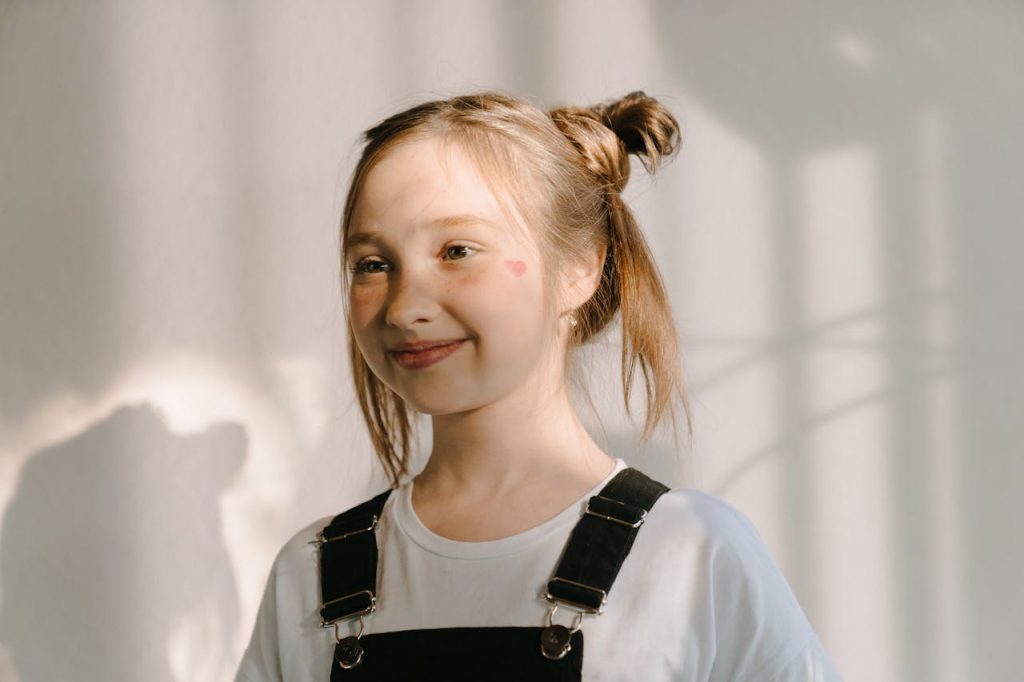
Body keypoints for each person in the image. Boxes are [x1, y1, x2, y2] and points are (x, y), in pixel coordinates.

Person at [234, 90, 842, 681]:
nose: (404, 307)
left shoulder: (692, 552)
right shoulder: (309, 575)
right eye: (373, 263)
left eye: (457, 250)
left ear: (579, 268)